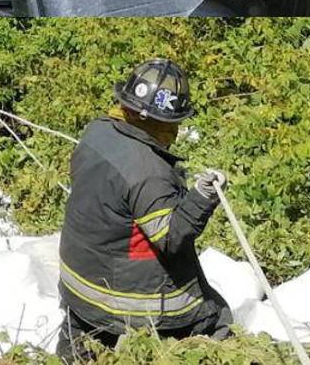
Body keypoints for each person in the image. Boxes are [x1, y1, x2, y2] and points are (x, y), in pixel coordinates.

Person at [57, 59, 232, 362]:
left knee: (79, 344)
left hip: (76, 279)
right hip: (122, 296)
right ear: (165, 122)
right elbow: (172, 238)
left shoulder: (96, 131)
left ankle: (71, 352)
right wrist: (202, 197)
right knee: (213, 315)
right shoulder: (149, 171)